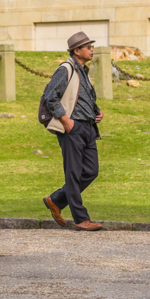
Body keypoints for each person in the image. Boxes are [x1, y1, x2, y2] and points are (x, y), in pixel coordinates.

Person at [40, 31, 104, 231]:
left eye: (91, 46)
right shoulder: (65, 69)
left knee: (91, 170)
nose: (91, 49)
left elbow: (80, 97)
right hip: (72, 127)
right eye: (88, 47)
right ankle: (81, 219)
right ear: (77, 51)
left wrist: (96, 111)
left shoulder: (83, 71)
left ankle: (56, 200)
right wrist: (66, 120)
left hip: (88, 127)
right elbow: (50, 97)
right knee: (74, 174)